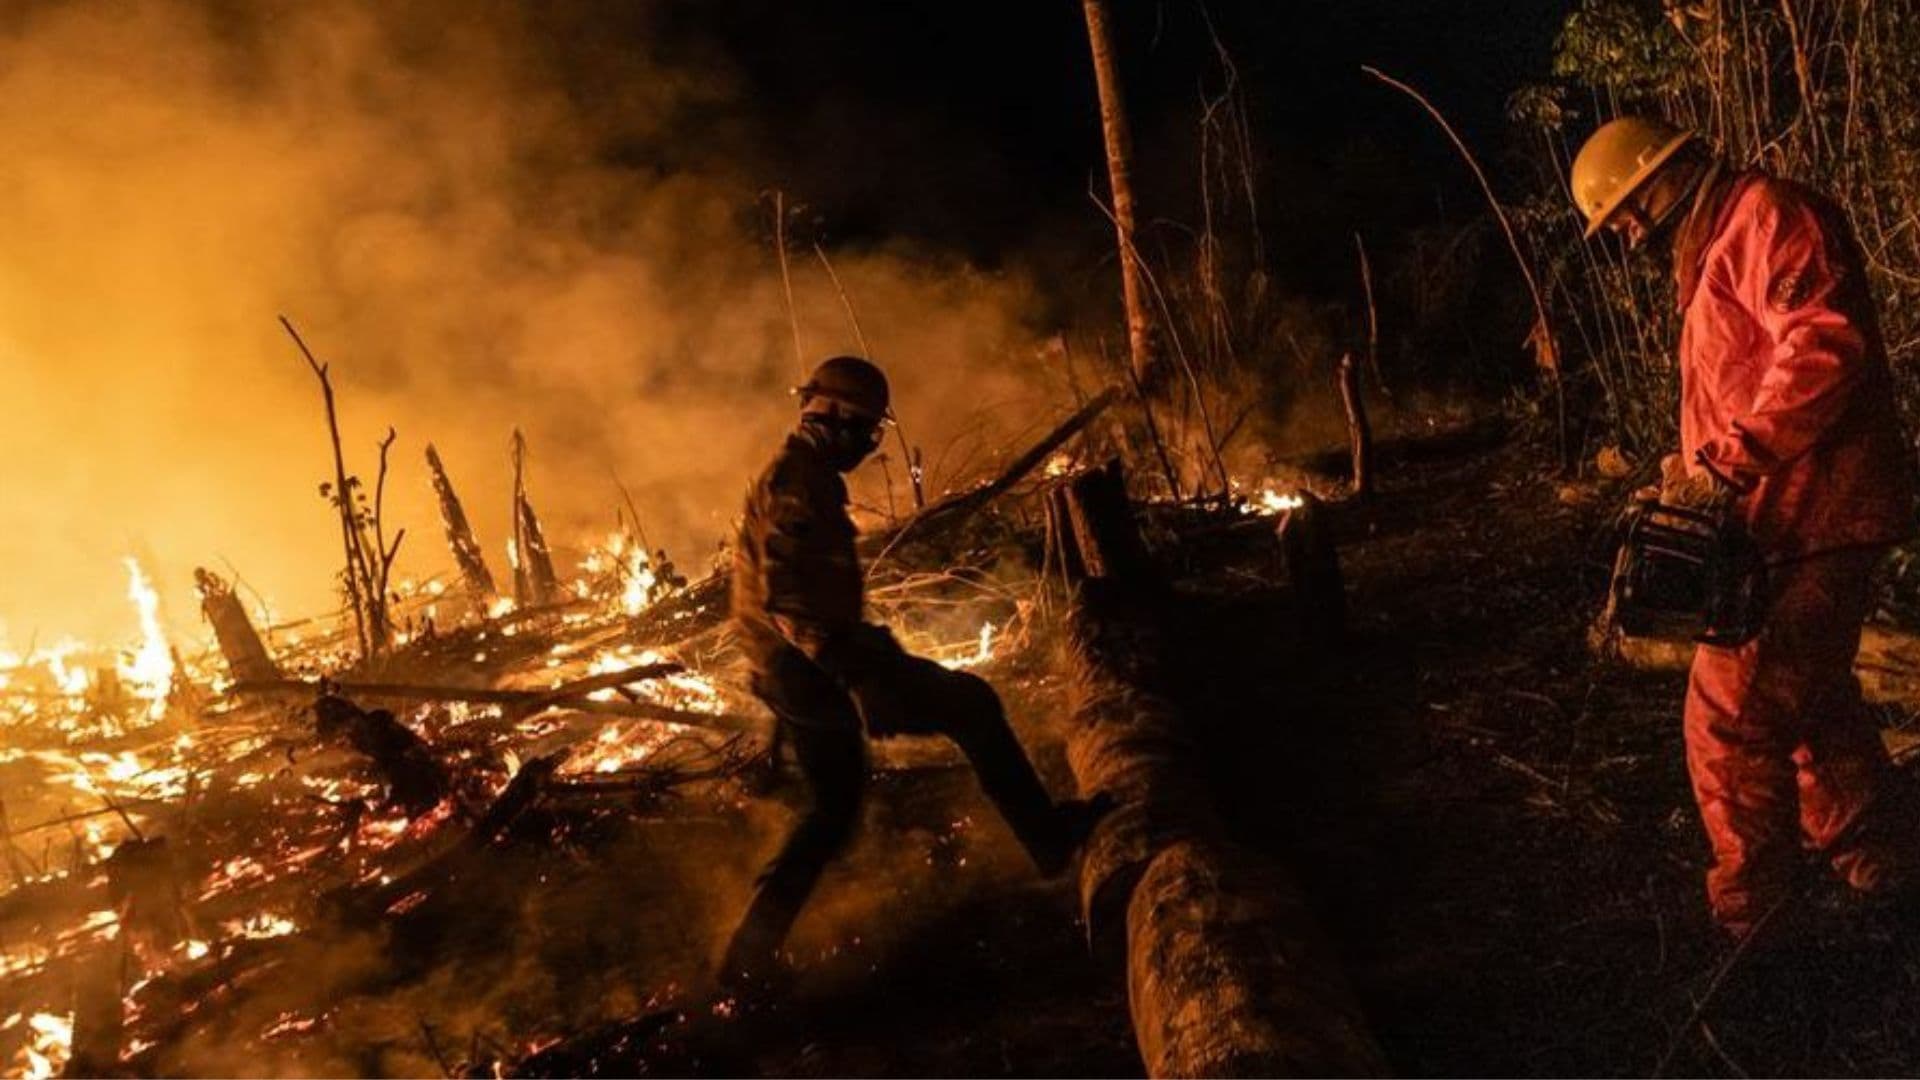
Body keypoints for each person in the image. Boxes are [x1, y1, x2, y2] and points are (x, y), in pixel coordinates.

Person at [1573, 117, 1918, 937]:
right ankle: (1883, 877)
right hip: (1783, 516)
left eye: (1623, 209)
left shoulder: (1767, 215)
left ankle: (1753, 931)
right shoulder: (1719, 243)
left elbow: (1823, 349)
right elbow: (1746, 380)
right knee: (1812, 701)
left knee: (1732, 714)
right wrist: (1689, 466)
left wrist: (1726, 463)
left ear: (1666, 175)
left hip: (1818, 508)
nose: (1624, 235)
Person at [720, 355, 1107, 985]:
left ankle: (747, 957)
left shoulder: (807, 474)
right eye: (865, 430)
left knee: (837, 806)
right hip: (811, 666)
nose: (868, 444)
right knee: (963, 711)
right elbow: (788, 602)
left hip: (813, 662)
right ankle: (745, 962)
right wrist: (860, 677)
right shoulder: (795, 483)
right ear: (835, 419)